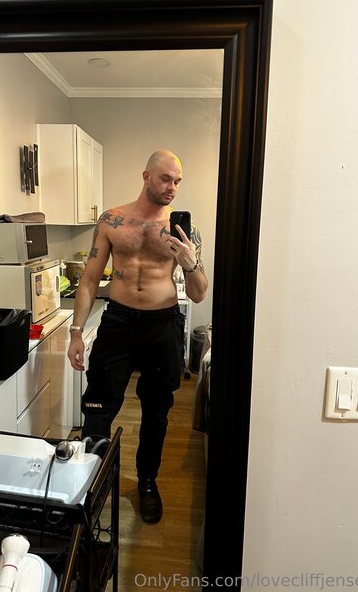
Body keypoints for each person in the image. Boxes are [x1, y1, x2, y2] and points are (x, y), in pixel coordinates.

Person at [67, 149, 208, 523]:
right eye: (166, 179)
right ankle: (90, 481)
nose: (172, 187)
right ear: (146, 176)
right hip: (118, 322)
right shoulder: (112, 220)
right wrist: (76, 332)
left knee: (157, 411)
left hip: (163, 325)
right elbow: (90, 279)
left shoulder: (184, 230)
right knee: (98, 406)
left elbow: (198, 293)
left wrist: (190, 262)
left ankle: (147, 481)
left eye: (178, 181)